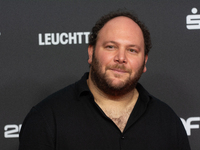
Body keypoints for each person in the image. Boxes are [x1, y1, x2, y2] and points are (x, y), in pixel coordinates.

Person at [18, 10, 190, 150]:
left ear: (144, 61)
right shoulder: (46, 119)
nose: (121, 58)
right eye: (111, 47)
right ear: (91, 53)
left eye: (132, 50)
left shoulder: (168, 122)